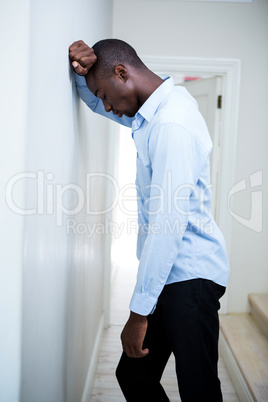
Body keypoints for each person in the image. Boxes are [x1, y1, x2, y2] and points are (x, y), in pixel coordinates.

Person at [69, 39, 230, 402]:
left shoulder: (170, 124)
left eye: (106, 93)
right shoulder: (157, 109)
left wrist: (138, 314)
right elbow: (99, 103)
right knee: (134, 374)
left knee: (198, 388)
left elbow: (167, 225)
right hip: (173, 276)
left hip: (191, 277)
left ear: (122, 72)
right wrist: (82, 77)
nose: (106, 105)